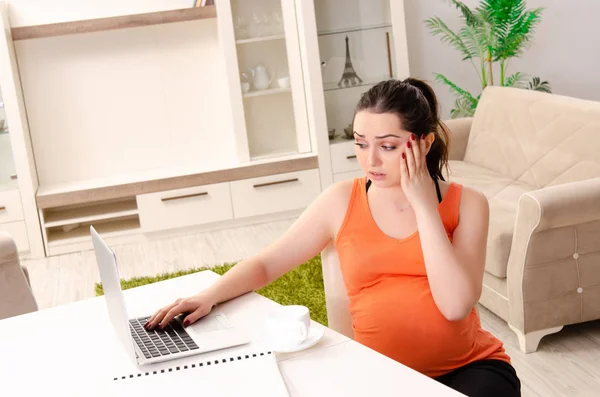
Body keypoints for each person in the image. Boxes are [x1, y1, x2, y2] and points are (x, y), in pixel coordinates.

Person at [145, 78, 521, 397]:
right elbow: (266, 263)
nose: (370, 160)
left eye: (387, 146)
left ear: (422, 144)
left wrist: (424, 207)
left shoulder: (468, 204)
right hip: (380, 377)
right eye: (360, 143)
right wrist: (209, 295)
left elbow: (455, 306)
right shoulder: (341, 200)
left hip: (470, 371)